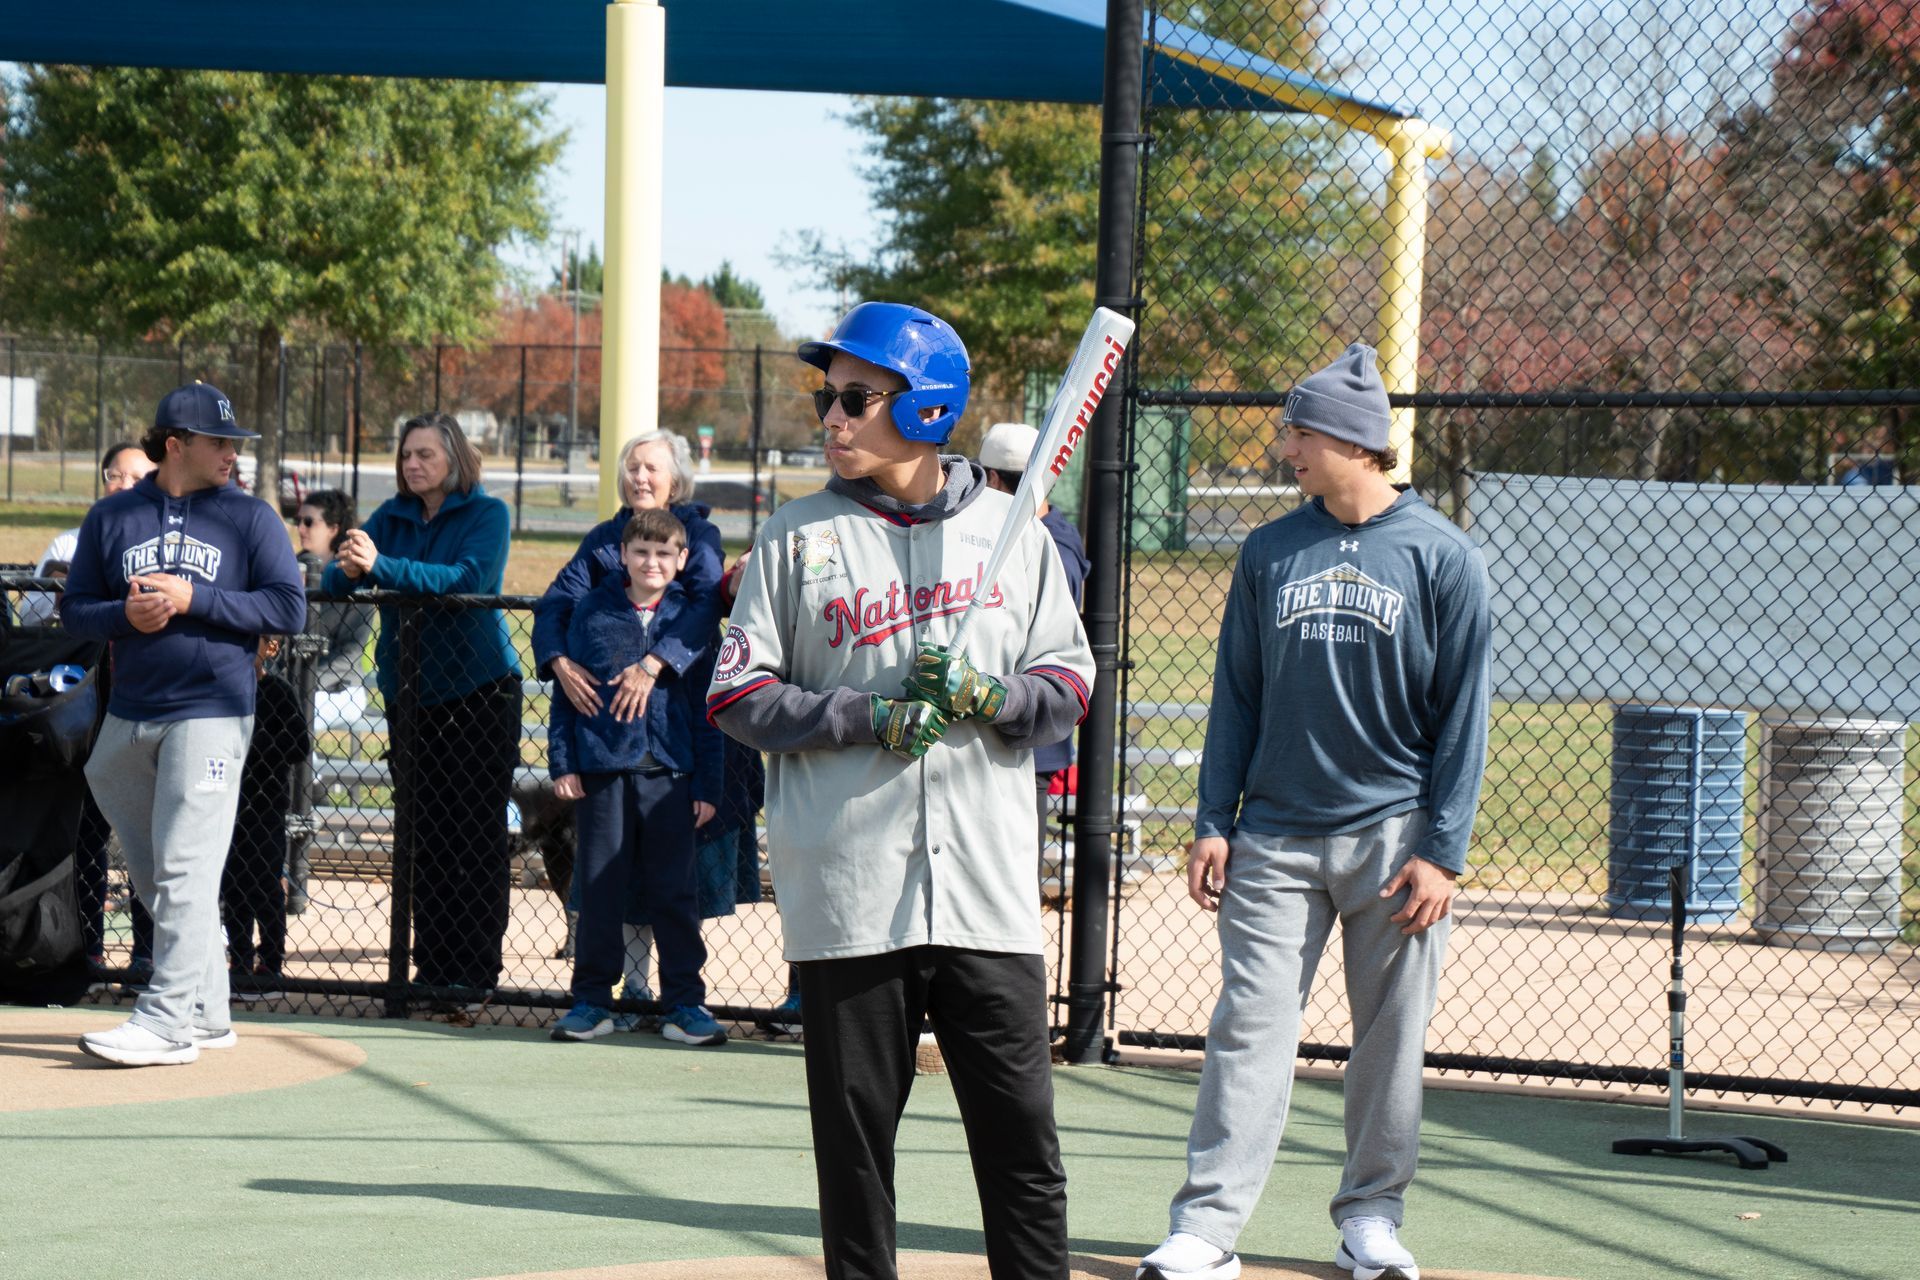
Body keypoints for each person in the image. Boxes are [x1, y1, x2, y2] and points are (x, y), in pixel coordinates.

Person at [709, 301, 1095, 1280]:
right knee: (854, 1158)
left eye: (856, 397)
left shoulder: (1012, 534)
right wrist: (866, 715)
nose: (832, 417)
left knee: (1022, 1148)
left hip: (986, 895)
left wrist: (993, 695)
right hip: (852, 891)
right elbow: (736, 695)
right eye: (827, 398)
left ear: (925, 407)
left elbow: (1070, 680)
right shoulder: (795, 536)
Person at [1135, 344, 1491, 1280]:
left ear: (1353, 441)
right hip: (1274, 837)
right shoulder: (1269, 549)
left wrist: (1443, 850)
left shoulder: (1443, 555)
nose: (1285, 447)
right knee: (1248, 1033)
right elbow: (1237, 693)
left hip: (1395, 842)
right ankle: (1207, 1230)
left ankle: (1371, 1217)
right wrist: (1214, 818)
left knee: (1390, 1043)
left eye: (1298, 432)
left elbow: (1465, 715)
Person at [59, 382, 306, 1066]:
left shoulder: (250, 517)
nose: (232, 453)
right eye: (219, 441)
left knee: (185, 868)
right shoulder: (113, 517)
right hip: (130, 713)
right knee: (158, 872)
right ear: (175, 445)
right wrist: (124, 616)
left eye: (234, 442)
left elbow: (289, 608)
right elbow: (75, 607)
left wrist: (197, 598)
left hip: (213, 711)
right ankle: (207, 1009)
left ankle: (166, 1020)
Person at [321, 412, 521, 1009]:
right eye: (406, 454)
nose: (412, 464)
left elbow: (466, 579)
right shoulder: (392, 516)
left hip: (480, 692)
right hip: (410, 696)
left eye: (425, 454)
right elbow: (337, 579)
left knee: (475, 836)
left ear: (455, 458)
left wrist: (379, 566)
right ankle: (431, 969)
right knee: (425, 837)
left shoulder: (488, 514)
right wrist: (349, 568)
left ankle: (474, 974)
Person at [546, 507, 726, 1045]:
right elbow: (567, 698)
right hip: (603, 773)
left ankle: (684, 1004)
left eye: (664, 553)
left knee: (675, 893)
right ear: (622, 555)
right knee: (600, 891)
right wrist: (564, 762)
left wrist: (707, 785)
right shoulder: (592, 611)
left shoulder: (689, 622)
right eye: (641, 551)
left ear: (682, 559)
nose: (652, 562)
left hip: (671, 776)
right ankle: (591, 1001)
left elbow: (707, 712)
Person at [532, 429, 724, 733]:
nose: (639, 477)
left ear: (675, 483)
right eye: (632, 468)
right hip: (612, 711)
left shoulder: (698, 534)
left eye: (651, 468)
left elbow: (708, 601)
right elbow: (558, 602)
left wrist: (654, 662)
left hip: (688, 695)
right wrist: (559, 661)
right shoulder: (603, 538)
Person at [977, 422, 1091, 856]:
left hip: (1025, 736)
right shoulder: (1047, 532)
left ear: (992, 480)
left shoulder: (1047, 544)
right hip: (1011, 728)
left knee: (1012, 869)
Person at [222, 635, 309, 1000]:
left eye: (252, 642)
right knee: (232, 885)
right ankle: (240, 960)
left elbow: (299, 744)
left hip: (266, 804)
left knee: (264, 883)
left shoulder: (278, 691)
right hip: (227, 801)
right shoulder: (222, 688)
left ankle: (271, 962)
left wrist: (249, 744)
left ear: (270, 648)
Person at [20, 441, 155, 628]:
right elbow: (27, 615)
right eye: (115, 476)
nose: (124, 486)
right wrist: (59, 594)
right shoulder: (67, 544)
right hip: (80, 646)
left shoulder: (167, 544)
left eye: (138, 479)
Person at [290, 488, 374, 730]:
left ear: (333, 529)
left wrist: (306, 682)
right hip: (295, 684)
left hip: (341, 690)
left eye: (309, 522)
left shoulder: (354, 578)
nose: (301, 528)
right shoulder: (290, 569)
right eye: (298, 521)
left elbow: (350, 653)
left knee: (294, 716)